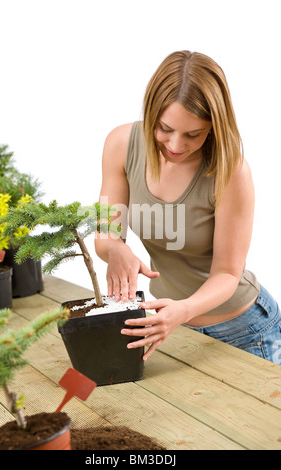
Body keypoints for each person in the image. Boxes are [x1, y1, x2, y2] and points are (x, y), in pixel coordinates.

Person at [94, 50, 281, 364]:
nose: (176, 146)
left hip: (245, 330)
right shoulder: (120, 145)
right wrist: (116, 250)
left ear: (214, 127)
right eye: (164, 129)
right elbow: (105, 232)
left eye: (193, 134)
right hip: (176, 328)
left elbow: (227, 273)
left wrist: (181, 311)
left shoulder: (230, 171)